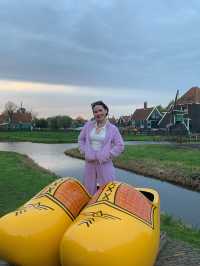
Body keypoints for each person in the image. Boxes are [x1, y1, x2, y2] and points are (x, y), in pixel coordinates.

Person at [78, 101, 124, 195]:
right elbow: (81, 139)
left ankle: (105, 207)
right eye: (95, 112)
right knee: (88, 188)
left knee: (108, 188)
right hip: (89, 162)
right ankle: (90, 207)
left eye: (100, 110)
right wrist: (84, 151)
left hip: (104, 162)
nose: (98, 113)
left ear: (106, 111)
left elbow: (120, 145)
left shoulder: (113, 129)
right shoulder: (88, 125)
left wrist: (108, 155)